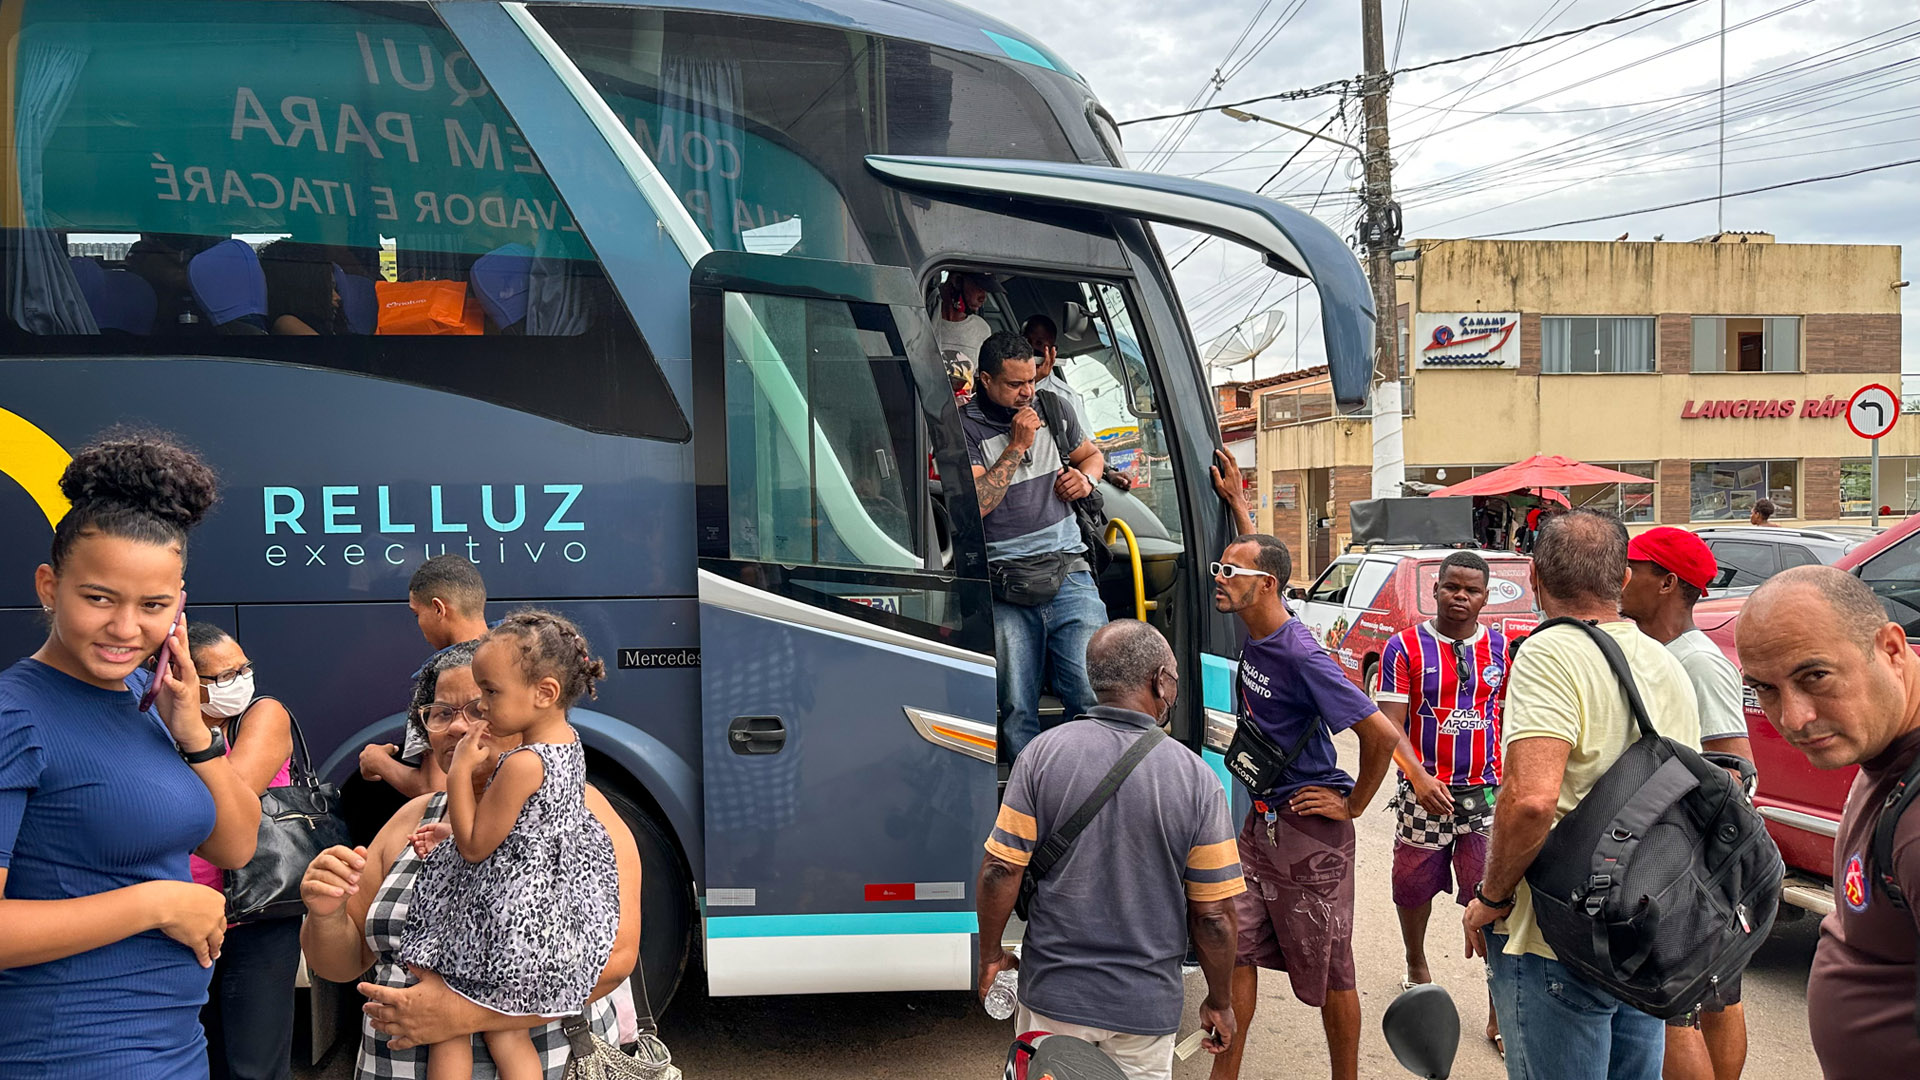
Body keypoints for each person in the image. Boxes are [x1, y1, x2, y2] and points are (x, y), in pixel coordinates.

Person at [0, 432, 261, 1077]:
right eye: (99, 598)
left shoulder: (154, 699)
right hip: (66, 1053)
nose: (126, 628)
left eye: (153, 605)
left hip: (174, 1044)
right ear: (47, 586)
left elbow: (234, 848)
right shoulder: (13, 715)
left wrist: (194, 735)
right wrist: (158, 903)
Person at [300, 640, 643, 1080]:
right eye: (442, 713)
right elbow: (342, 964)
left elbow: (613, 960)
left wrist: (461, 1014)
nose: (459, 728)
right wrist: (325, 914)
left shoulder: (579, 814)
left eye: (480, 708)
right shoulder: (413, 817)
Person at [1463, 510, 1699, 1080]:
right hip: (1640, 927)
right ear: (1621, 580)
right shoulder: (1664, 662)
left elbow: (1531, 801)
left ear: (1534, 579)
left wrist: (1492, 898)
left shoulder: (1549, 653)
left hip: (1558, 933)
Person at [976, 620, 1241, 1080]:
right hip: (1144, 1009)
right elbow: (1213, 916)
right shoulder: (1197, 780)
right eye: (1173, 678)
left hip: (1053, 997)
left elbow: (1001, 869)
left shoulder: (1039, 756)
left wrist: (991, 955)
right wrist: (1220, 1000)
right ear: (1160, 680)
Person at [1207, 533, 1413, 1080]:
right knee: (1239, 951)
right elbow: (1262, 560)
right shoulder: (1260, 621)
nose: (1219, 581)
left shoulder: (1302, 653)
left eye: (1230, 573)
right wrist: (1238, 510)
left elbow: (1381, 734)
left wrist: (1355, 804)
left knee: (1332, 966)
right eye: (1219, 570)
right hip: (1262, 820)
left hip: (1309, 833)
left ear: (1266, 585)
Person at [394, 612, 620, 1080]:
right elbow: (525, 830)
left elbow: (477, 847)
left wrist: (457, 771)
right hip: (545, 916)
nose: (481, 706)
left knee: (448, 1024)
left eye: (490, 693)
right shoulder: (569, 745)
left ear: (545, 693)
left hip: (501, 918)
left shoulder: (522, 764)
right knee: (507, 1033)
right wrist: (452, 834)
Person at [1736, 565, 1920, 1078]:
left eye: (1814, 676)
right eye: (1766, 689)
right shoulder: (1888, 748)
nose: (1793, 717)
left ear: (1891, 648)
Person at [1618, 527, 1751, 1080]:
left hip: (1691, 861)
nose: (1621, 576)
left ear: (1667, 582)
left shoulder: (1697, 662)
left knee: (1679, 1009)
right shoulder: (1658, 653)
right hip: (1685, 855)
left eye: (1633, 566)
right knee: (1710, 996)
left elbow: (1735, 771)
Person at [1373, 551, 1506, 1053]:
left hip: (1485, 796)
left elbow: (1511, 717)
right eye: (1451, 587)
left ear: (1485, 597)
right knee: (1412, 887)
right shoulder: (1403, 647)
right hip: (1424, 797)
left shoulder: (1502, 649)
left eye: (1471, 590)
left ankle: (1499, 1004)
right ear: (1435, 590)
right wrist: (1419, 777)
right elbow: (1390, 726)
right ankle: (1416, 964)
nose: (1460, 597)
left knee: (1494, 899)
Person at [964, 330, 1107, 759]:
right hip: (1005, 580)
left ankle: (1089, 785)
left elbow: (1091, 455)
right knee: (1017, 705)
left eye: (1031, 381)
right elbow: (978, 505)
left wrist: (1086, 480)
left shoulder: (1053, 407)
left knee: (1091, 690)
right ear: (984, 380)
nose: (1027, 393)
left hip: (1068, 569)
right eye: (1014, 385)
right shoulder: (963, 427)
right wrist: (1017, 445)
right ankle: (1031, 794)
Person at [184, 623, 300, 1080]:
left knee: (253, 1063)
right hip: (185, 916)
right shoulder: (151, 725)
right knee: (198, 1056)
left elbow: (225, 804)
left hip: (255, 913)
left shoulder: (262, 716)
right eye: (225, 675)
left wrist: (192, 735)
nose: (243, 681)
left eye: (244, 669)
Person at [361, 555, 491, 800]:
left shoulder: (440, 677)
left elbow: (435, 787)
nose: (418, 624)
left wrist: (376, 761)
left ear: (438, 608)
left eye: (416, 614)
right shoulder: (517, 662)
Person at [935, 271, 995, 373]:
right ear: (956, 281)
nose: (983, 298)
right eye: (979, 288)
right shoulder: (926, 319)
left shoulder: (982, 329)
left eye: (986, 291)